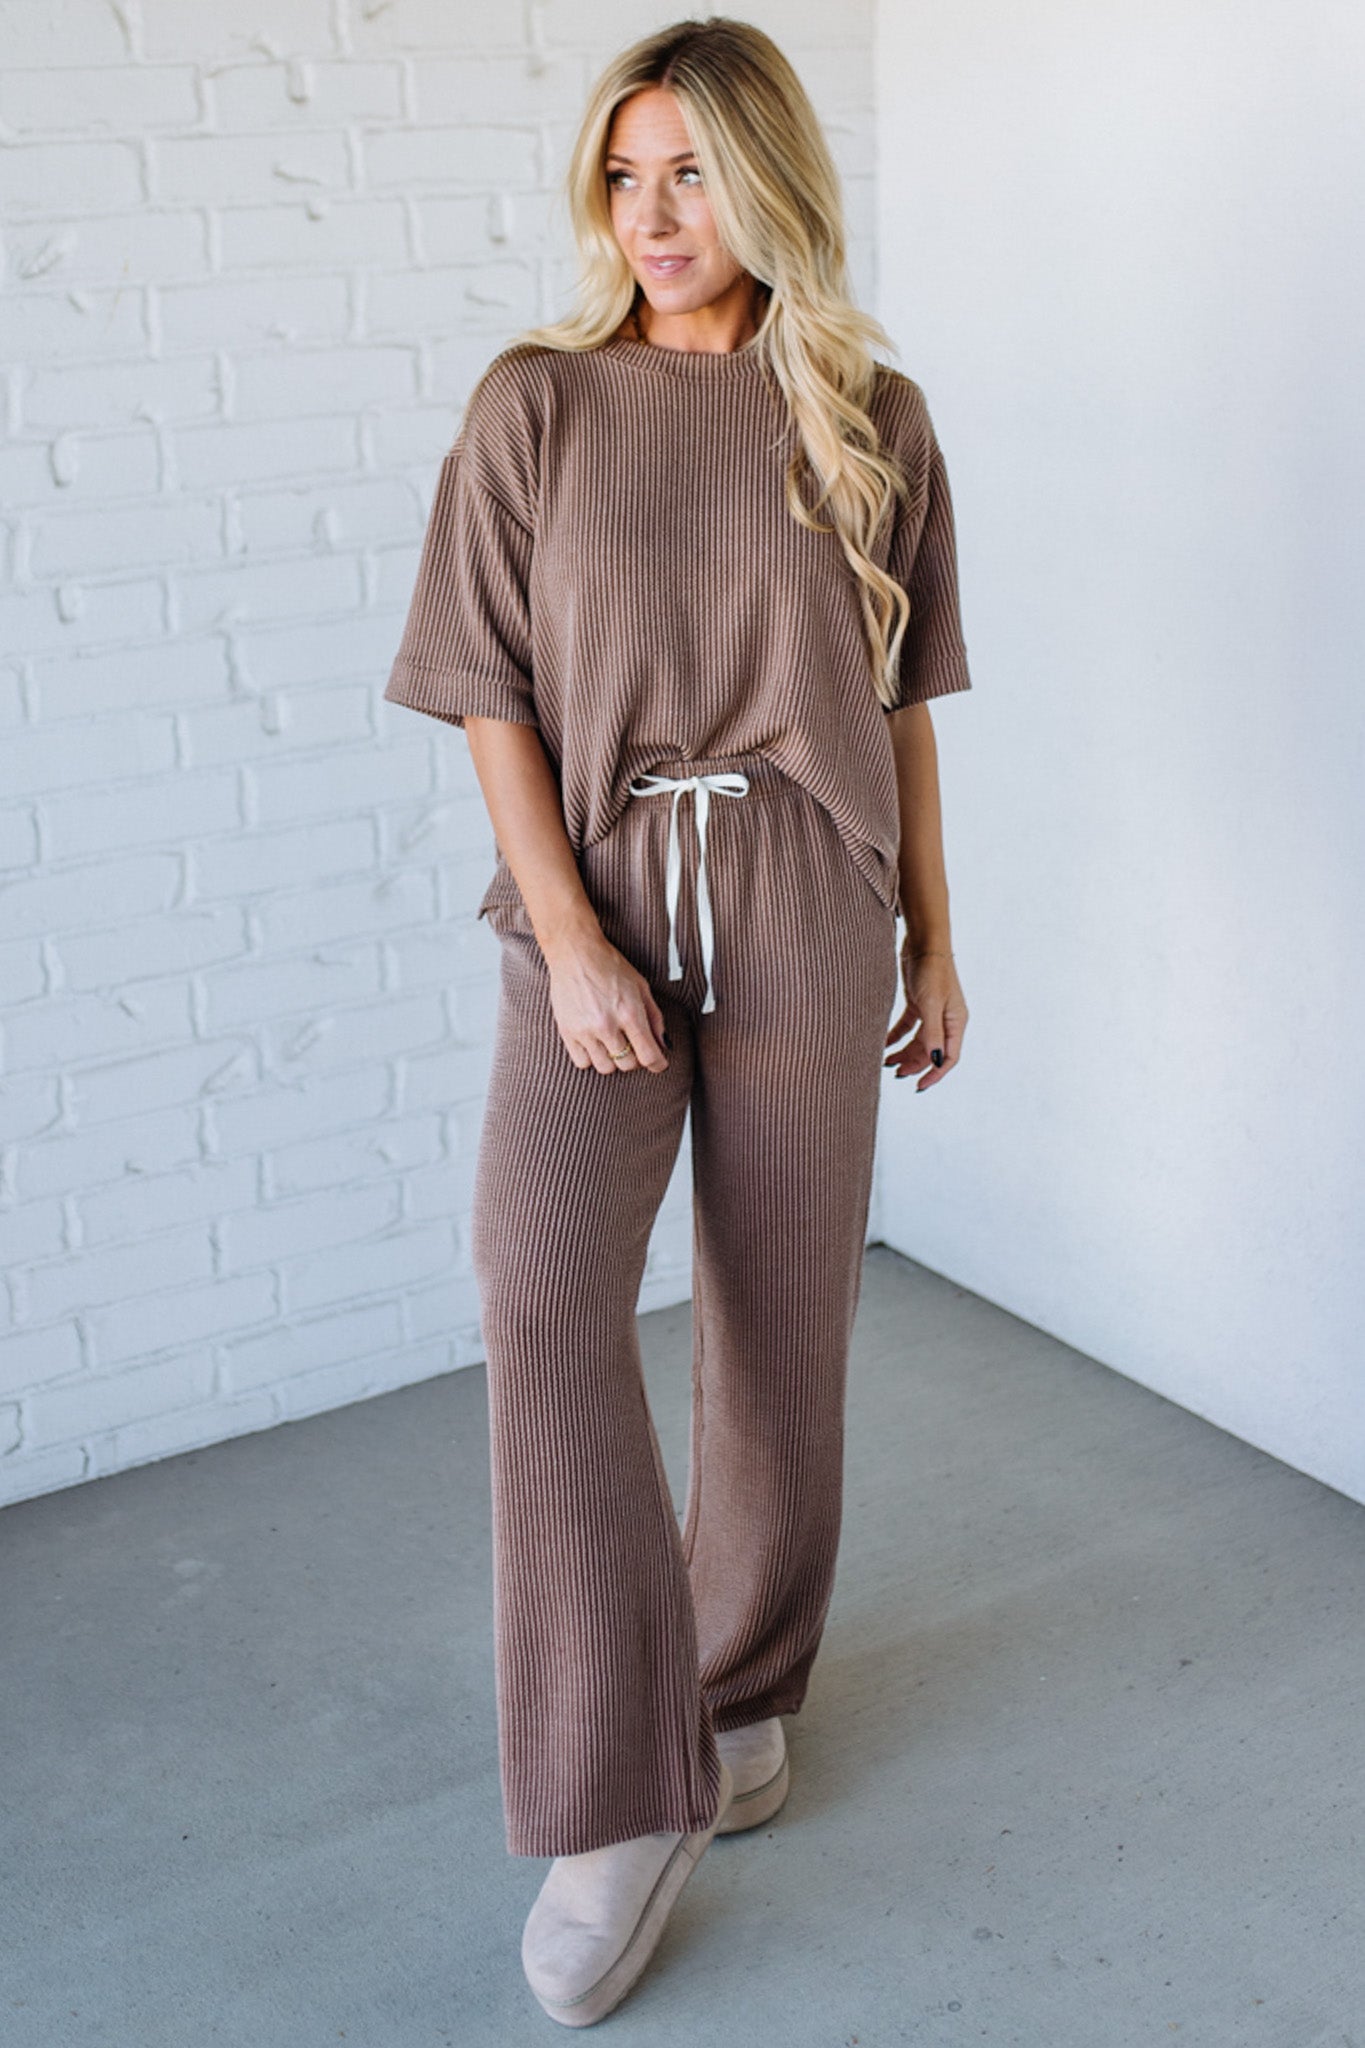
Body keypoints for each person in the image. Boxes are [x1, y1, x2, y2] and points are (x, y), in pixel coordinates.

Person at [383, 16, 973, 2028]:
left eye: (691, 174)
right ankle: (611, 1793)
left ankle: (734, 1694)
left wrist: (936, 942)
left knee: (774, 1322)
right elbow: (486, 690)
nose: (650, 215)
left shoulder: (866, 411)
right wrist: (564, 941)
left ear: (767, 181)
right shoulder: (535, 405)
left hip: (813, 903)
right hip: (605, 895)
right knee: (537, 1296)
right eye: (623, 175)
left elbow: (894, 714)